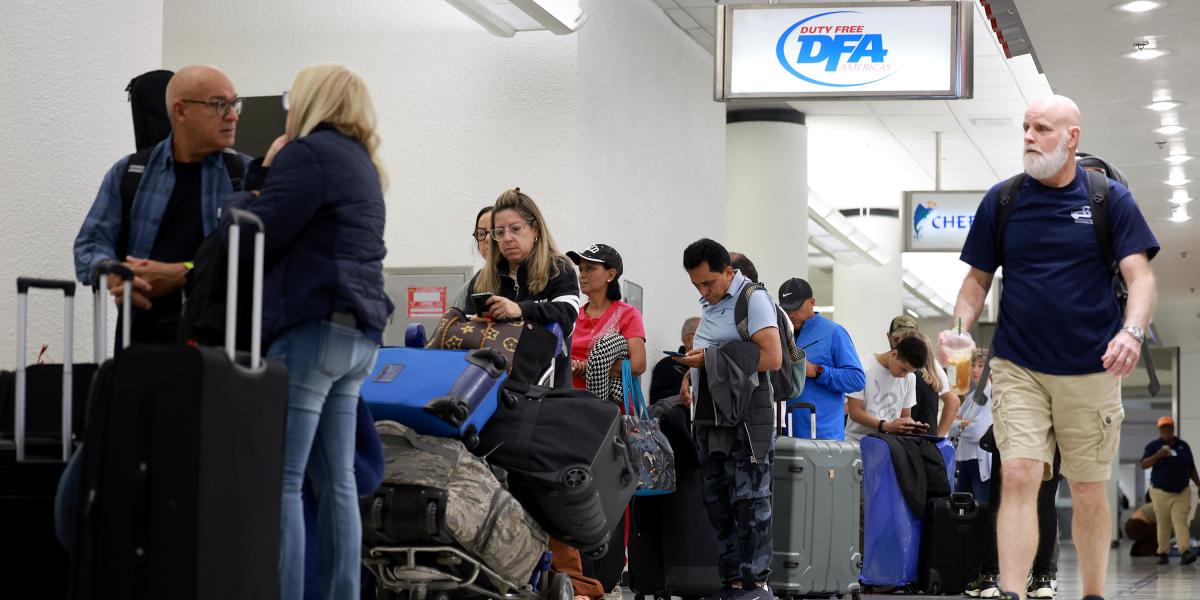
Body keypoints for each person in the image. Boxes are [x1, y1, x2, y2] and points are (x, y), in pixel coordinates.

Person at [941, 95, 1160, 600]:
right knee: (1019, 472)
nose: (1029, 137)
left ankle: (1092, 594)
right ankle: (1014, 592)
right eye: (1025, 127)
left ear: (1072, 137)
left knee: (1086, 487)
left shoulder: (1109, 200)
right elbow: (975, 282)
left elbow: (1141, 278)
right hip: (1019, 364)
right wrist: (959, 327)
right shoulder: (1004, 200)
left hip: (1093, 366)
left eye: (1040, 128)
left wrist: (1130, 333)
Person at [242, 63, 392, 600]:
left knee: (281, 479)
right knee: (337, 483)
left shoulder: (308, 154)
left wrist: (259, 175)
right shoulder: (365, 165)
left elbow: (260, 229)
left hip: (313, 329)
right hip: (359, 333)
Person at [74, 64, 250, 343]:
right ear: (180, 111)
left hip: (217, 348)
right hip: (139, 344)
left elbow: (258, 262)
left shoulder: (245, 176)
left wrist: (185, 273)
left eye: (234, 104)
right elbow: (90, 245)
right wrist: (115, 274)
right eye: (219, 105)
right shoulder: (130, 172)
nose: (232, 116)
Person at [674, 238, 781, 600]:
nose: (704, 292)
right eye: (697, 285)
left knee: (751, 500)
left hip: (748, 416)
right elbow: (712, 352)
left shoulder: (753, 299)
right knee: (717, 499)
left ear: (729, 273)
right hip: (711, 415)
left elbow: (772, 358)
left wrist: (710, 361)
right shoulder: (712, 304)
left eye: (709, 283)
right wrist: (692, 375)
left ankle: (756, 583)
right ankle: (733, 581)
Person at [462, 188, 581, 387]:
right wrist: (475, 322)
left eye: (515, 229)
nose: (507, 238)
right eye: (499, 232)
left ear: (535, 229)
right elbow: (465, 328)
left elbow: (568, 312)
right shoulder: (482, 279)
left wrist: (521, 309)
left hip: (546, 395)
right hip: (493, 392)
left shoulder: (559, 268)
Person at [777, 277, 864, 440]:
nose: (791, 314)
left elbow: (856, 380)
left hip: (823, 437)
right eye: (786, 309)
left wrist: (817, 372)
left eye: (795, 308)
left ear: (811, 302)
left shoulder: (834, 333)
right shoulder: (779, 333)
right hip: (784, 435)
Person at [567, 243, 646, 391]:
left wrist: (589, 368)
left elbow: (638, 365)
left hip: (611, 408)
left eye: (590, 268)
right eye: (581, 269)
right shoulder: (572, 315)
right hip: (572, 403)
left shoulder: (628, 314)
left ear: (610, 275)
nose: (582, 275)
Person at [843, 336, 929, 444]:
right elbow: (855, 412)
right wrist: (885, 426)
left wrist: (910, 425)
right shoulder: (863, 368)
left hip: (889, 445)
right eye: (903, 369)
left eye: (909, 372)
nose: (903, 375)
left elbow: (905, 416)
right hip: (857, 443)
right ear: (894, 354)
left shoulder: (910, 377)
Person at [1140, 415, 1200, 565]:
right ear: (1159, 430)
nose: (1166, 431)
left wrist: (1199, 484)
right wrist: (1158, 455)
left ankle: (1185, 552)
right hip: (1160, 492)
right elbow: (1144, 464)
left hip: (1181, 491)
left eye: (1168, 428)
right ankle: (1163, 553)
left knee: (1180, 521)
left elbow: (1191, 468)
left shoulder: (1183, 446)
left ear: (1173, 429)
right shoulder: (1153, 446)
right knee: (1163, 522)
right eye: (1163, 429)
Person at [889, 323, 960, 438]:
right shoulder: (931, 380)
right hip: (927, 439)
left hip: (915, 442)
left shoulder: (915, 377)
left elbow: (908, 419)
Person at [950, 349, 994, 504]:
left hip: (979, 461)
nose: (975, 370)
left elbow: (978, 432)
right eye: (973, 365)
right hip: (963, 460)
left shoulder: (992, 394)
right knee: (961, 510)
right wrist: (962, 425)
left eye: (981, 366)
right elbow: (950, 427)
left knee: (979, 510)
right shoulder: (970, 398)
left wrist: (960, 425)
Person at [451, 205, 494, 312]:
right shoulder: (470, 287)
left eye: (495, 231)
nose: (487, 238)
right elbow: (456, 326)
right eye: (481, 233)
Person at [649, 317, 699, 402]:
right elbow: (656, 399)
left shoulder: (709, 364)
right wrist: (685, 392)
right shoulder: (665, 366)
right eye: (702, 336)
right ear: (688, 339)